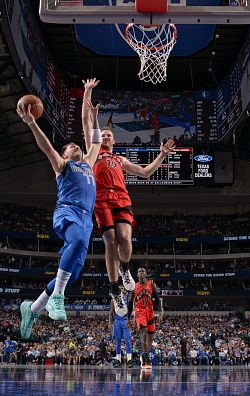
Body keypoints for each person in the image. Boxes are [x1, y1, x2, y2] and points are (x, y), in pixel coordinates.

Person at [82, 78, 175, 316]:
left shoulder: (120, 159)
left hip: (122, 199)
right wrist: (88, 96)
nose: (104, 137)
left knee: (124, 238)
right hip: (101, 199)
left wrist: (162, 154)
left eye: (108, 135)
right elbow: (87, 125)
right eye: (102, 134)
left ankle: (124, 268)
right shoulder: (94, 152)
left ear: (114, 140)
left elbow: (145, 172)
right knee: (110, 241)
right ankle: (114, 289)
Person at [17, 94, 102, 338]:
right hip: (67, 212)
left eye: (77, 145)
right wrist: (32, 123)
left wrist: (95, 119)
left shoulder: (87, 164)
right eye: (71, 146)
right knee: (75, 243)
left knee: (72, 274)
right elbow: (46, 147)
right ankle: (57, 300)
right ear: (65, 154)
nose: (76, 146)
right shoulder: (63, 165)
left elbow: (95, 143)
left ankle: (32, 309)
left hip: (86, 219)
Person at [127, 267, 163, 370]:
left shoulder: (151, 284)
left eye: (143, 271)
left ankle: (145, 354)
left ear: (146, 274)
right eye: (139, 271)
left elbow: (157, 299)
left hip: (150, 311)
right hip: (139, 311)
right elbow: (130, 303)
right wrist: (128, 318)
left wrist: (160, 313)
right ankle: (146, 357)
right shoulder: (133, 286)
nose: (141, 273)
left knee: (150, 337)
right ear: (137, 275)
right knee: (143, 331)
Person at [109, 286, 133, 368]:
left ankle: (129, 359)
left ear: (125, 290)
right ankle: (118, 360)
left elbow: (132, 312)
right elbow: (111, 312)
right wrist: (110, 323)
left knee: (127, 340)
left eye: (122, 288)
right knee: (118, 341)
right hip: (117, 322)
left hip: (126, 321)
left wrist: (131, 321)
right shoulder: (113, 300)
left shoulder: (128, 299)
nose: (121, 290)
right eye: (119, 289)